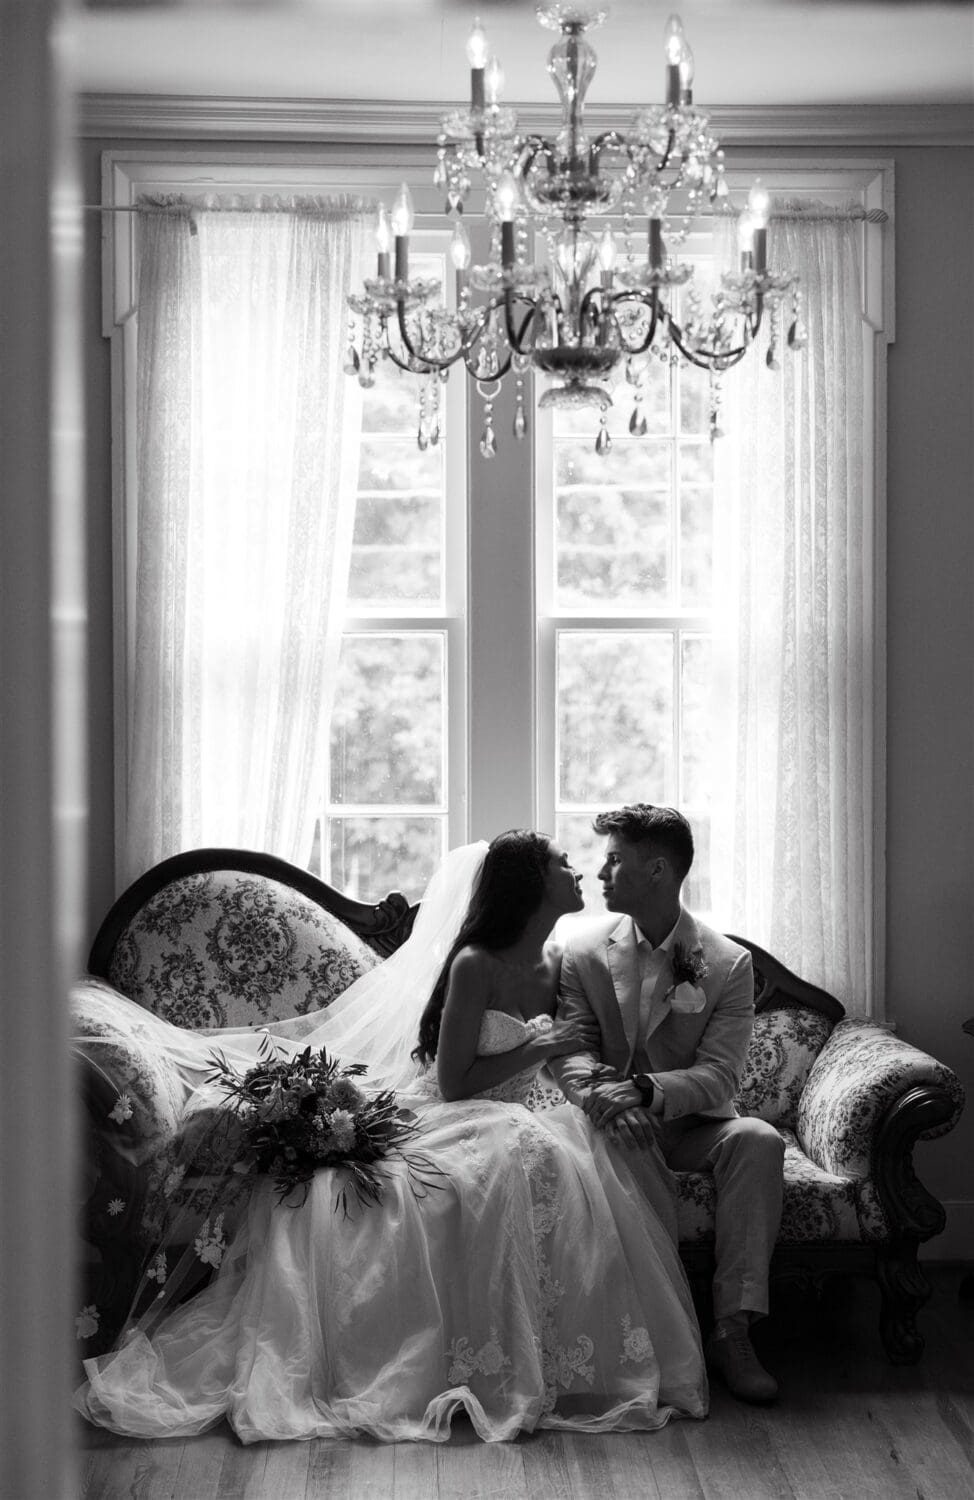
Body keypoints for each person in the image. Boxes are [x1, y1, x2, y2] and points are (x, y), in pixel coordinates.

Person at [75, 832, 707, 1444]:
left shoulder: (562, 958)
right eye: (562, 861)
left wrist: (601, 1090)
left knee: (569, 1159)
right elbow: (456, 1081)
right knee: (488, 1166)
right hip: (463, 1106)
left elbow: (573, 1056)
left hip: (533, 1106)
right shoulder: (474, 963)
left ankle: (556, 1357)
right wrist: (541, 1043)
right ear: (528, 885)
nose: (578, 869)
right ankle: (432, 1358)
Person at [548, 805, 784, 1405]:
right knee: (622, 1143)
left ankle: (733, 1331)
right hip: (612, 1125)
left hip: (694, 1126)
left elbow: (720, 1074)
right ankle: (657, 1331)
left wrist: (648, 1092)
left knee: (758, 1138)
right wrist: (609, 1099)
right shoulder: (581, 952)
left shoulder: (727, 963)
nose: (601, 873)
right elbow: (570, 1049)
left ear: (656, 870)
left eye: (615, 860)